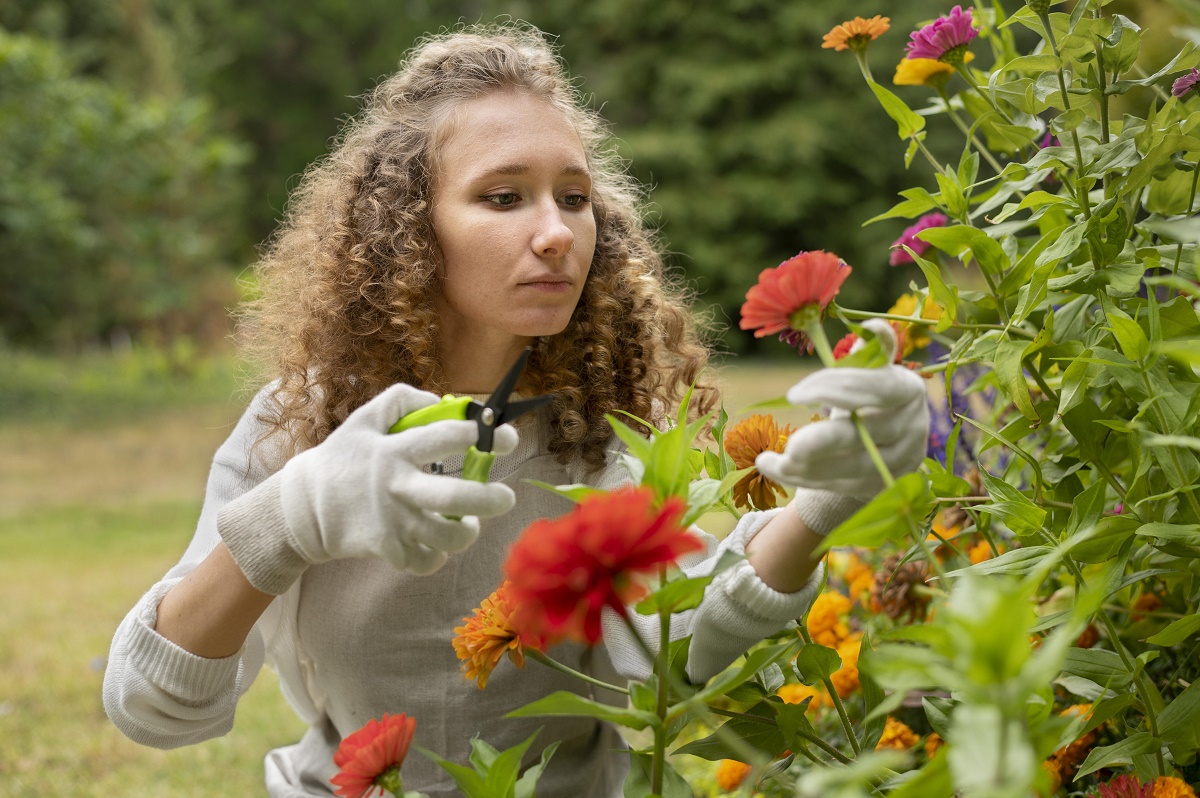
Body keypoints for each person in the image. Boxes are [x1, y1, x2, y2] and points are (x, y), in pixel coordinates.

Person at [102, 23, 929, 797]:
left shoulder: (594, 431)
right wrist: (289, 518)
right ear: (409, 229)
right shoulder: (306, 422)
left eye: (573, 198)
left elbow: (668, 656)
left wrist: (820, 511)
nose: (558, 233)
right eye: (504, 198)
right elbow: (149, 705)